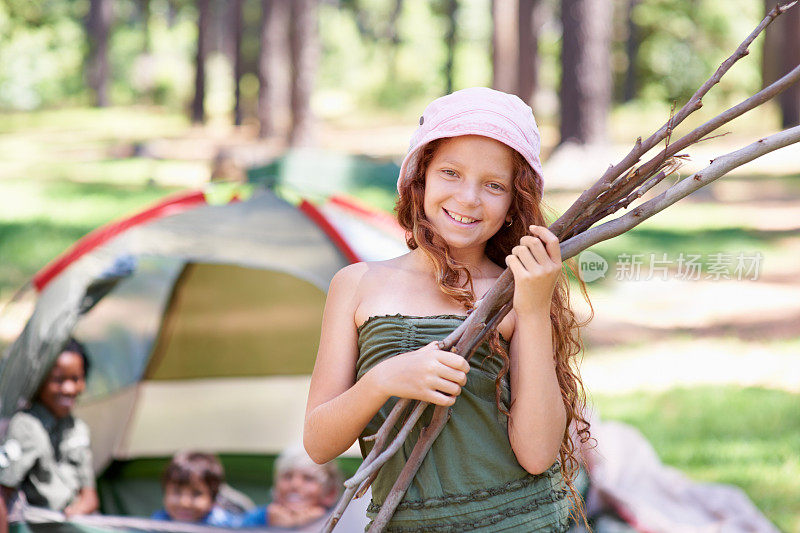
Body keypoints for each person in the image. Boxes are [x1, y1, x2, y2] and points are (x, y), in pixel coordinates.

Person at [304, 87, 591, 530]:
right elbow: (319, 443)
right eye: (451, 173)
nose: (469, 198)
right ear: (419, 177)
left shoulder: (518, 290)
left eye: (494, 185)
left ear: (515, 201)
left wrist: (533, 311)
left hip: (519, 521)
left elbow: (537, 454)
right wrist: (384, 379)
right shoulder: (357, 285)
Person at [0, 338, 99, 533]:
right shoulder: (26, 427)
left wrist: (75, 514)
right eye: (58, 380)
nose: (69, 389)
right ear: (39, 382)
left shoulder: (77, 428)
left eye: (76, 379)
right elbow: (2, 493)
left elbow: (90, 495)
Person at [239, 444, 341, 528]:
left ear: (330, 493)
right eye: (287, 476)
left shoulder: (339, 521)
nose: (295, 485)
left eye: (308, 478)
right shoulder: (255, 519)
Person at [151, 451, 237, 527]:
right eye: (176, 492)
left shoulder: (222, 525)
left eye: (196, 494)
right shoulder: (159, 521)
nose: (184, 503)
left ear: (212, 500)